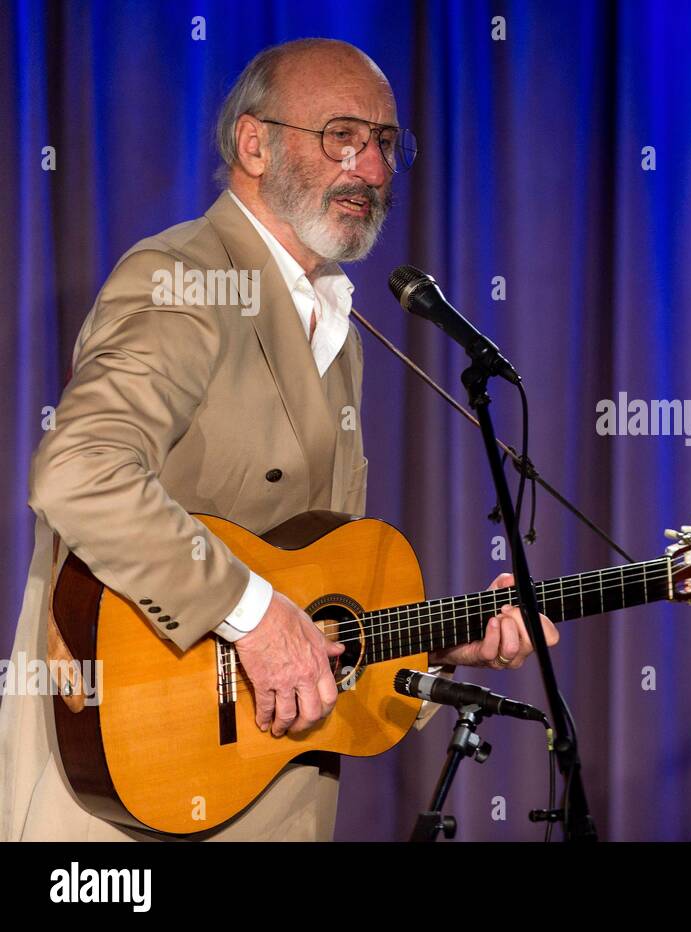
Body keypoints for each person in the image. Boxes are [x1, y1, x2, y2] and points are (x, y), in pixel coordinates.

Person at [0, 38, 558, 842]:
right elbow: (79, 472)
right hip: (130, 797)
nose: (369, 168)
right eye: (341, 135)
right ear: (253, 144)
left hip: (270, 787)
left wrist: (440, 648)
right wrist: (254, 617)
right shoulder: (187, 277)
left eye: (385, 143)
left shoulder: (338, 323)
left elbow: (313, 604)